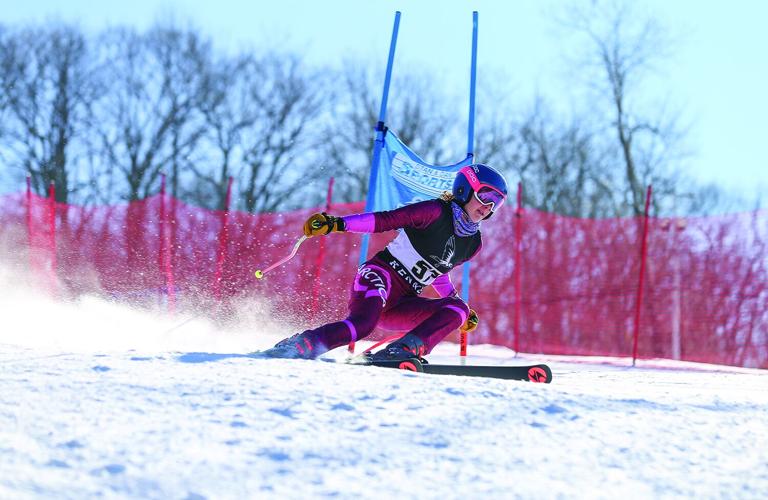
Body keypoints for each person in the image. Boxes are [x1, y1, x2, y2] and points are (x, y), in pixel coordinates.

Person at [262, 163, 508, 362]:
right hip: (380, 276)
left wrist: (456, 304)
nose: (489, 206)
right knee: (361, 326)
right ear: (465, 189)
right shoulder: (435, 211)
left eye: (496, 202)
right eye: (485, 195)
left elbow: (439, 273)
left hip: (402, 303)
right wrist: (336, 224)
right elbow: (385, 221)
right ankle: (304, 343)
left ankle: (404, 351)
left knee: (459, 309)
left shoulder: (473, 243)